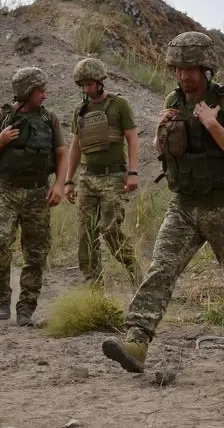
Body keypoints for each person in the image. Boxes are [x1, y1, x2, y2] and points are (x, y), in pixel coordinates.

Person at [101, 31, 224, 374]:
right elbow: (163, 151)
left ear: (206, 68)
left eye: (190, 68)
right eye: (178, 68)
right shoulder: (174, 99)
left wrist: (211, 124)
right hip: (184, 205)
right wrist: (160, 132)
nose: (183, 75)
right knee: (161, 267)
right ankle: (137, 341)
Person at [0, 67, 68, 326]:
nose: (44, 95)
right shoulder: (0, 118)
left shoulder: (49, 119)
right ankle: (2, 298)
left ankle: (27, 306)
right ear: (26, 92)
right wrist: (1, 141)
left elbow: (62, 153)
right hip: (6, 191)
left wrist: (59, 185)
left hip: (38, 193)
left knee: (36, 252)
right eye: (40, 91)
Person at [63, 57, 141, 286]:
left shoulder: (119, 105)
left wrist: (133, 172)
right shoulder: (80, 110)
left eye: (89, 84)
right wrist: (68, 181)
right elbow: (75, 146)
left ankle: (137, 274)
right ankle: (93, 287)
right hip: (87, 177)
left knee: (110, 230)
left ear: (100, 82)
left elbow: (132, 138)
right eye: (82, 85)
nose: (86, 89)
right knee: (85, 234)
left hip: (113, 176)